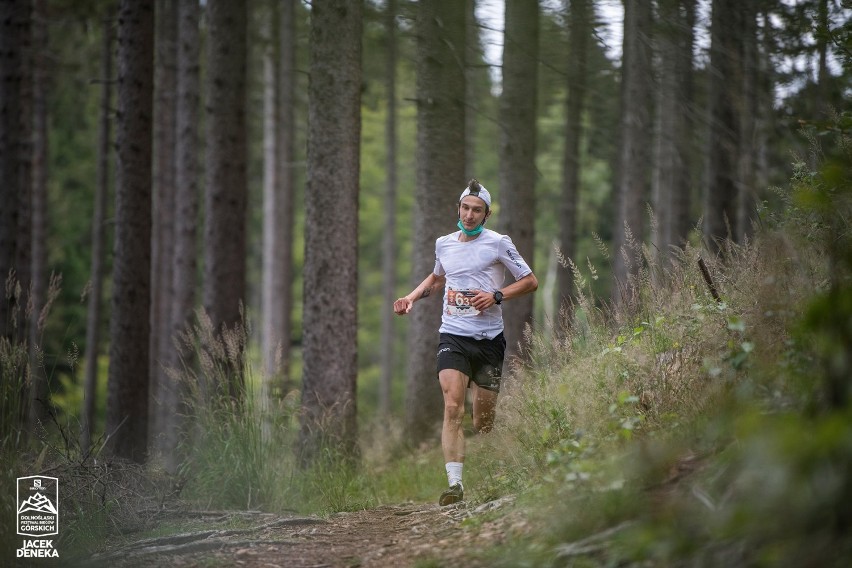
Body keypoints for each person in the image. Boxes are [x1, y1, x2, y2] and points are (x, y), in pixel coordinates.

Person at [394, 178, 538, 506]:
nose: (470, 215)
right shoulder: (444, 243)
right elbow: (438, 276)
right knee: (452, 406)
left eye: (477, 210)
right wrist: (412, 297)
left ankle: (488, 458)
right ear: (458, 208)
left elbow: (530, 281)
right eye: (465, 208)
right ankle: (455, 486)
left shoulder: (499, 243)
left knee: (482, 422)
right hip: (453, 336)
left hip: (488, 342)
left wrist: (496, 295)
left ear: (486, 215)